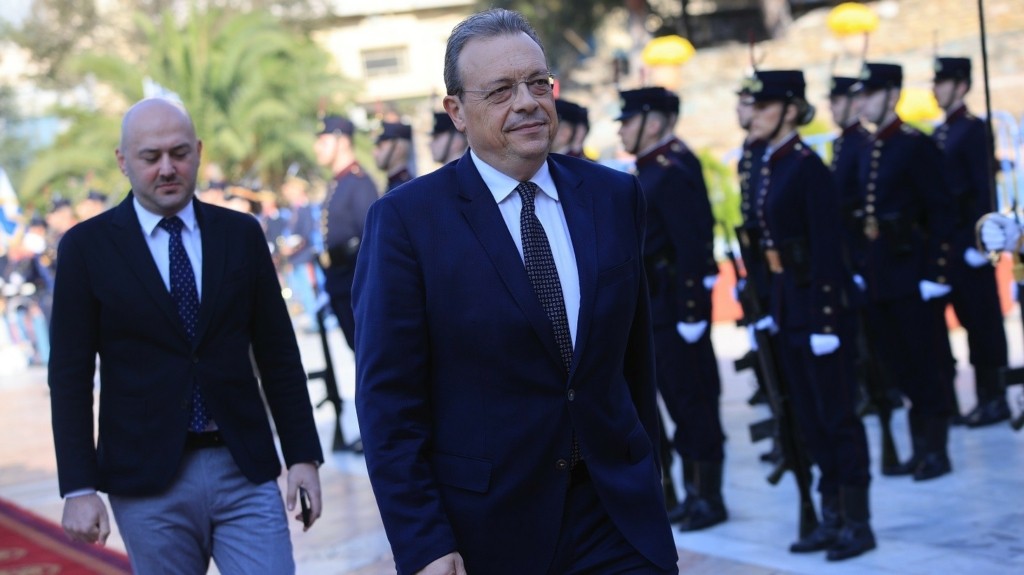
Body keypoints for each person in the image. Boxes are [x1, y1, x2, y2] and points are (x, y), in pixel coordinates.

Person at [352, 9, 678, 575]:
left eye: (537, 83)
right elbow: (389, 403)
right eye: (501, 90)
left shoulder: (613, 197)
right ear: (456, 110)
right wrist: (424, 542)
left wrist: (646, 476)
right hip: (492, 530)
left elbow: (633, 363)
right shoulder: (407, 221)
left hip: (617, 516)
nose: (526, 102)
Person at [47, 97, 324, 574]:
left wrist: (303, 456)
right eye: (150, 157)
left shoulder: (240, 235)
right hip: (146, 482)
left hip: (244, 468)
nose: (167, 168)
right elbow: (70, 376)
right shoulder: (86, 248)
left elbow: (278, 353)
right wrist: (78, 487)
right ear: (123, 161)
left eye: (178, 153)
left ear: (197, 152)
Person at [748, 70, 875, 561]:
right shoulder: (773, 164)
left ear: (789, 110)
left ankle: (857, 522)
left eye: (765, 106)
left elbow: (826, 248)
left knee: (838, 417)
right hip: (790, 307)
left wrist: (825, 320)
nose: (755, 114)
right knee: (809, 419)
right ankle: (831, 514)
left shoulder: (806, 166)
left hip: (820, 312)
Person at [617, 86, 726, 532]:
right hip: (658, 307)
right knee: (678, 402)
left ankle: (708, 496)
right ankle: (694, 492)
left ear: (655, 123)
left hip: (675, 309)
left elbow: (692, 246)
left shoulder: (671, 170)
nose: (622, 130)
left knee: (693, 403)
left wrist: (692, 313)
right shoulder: (649, 170)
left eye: (628, 121)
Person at [850, 62, 959, 481]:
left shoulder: (914, 144)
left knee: (926, 363)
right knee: (900, 367)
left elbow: (942, 210)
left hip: (913, 272)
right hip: (882, 275)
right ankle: (919, 447)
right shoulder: (870, 147)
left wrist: (936, 272)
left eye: (871, 94)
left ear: (893, 95)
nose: (864, 102)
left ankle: (936, 449)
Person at [931, 56, 1010, 427]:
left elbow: (983, 189)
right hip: (952, 242)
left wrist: (981, 244)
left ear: (961, 86)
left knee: (984, 325)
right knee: (968, 323)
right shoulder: (944, 131)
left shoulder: (973, 129)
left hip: (971, 242)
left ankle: (995, 397)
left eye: (943, 82)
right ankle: (982, 397)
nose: (936, 89)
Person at [314, 114, 378, 351]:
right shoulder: (338, 183)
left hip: (356, 287)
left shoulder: (358, 182)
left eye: (323, 141)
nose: (316, 147)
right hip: (341, 284)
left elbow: (370, 241)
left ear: (342, 141)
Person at [374, 120, 415, 192]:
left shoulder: (403, 190)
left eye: (380, 147)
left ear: (399, 149)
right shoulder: (397, 184)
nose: (374, 152)